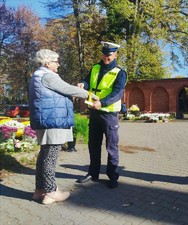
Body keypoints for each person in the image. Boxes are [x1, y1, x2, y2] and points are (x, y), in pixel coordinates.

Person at [29, 49, 99, 204]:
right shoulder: (48, 76)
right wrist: (91, 95)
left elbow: (59, 93)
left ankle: (40, 191)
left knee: (44, 156)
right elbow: (67, 88)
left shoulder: (38, 75)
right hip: (53, 121)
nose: (58, 64)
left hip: (47, 121)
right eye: (56, 61)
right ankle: (51, 191)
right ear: (47, 63)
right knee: (50, 157)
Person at [76, 41, 127, 188]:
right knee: (93, 144)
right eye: (104, 54)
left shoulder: (120, 72)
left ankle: (112, 176)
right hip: (94, 111)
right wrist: (82, 84)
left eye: (109, 55)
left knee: (111, 146)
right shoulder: (95, 67)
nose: (106, 57)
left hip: (109, 114)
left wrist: (102, 103)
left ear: (115, 54)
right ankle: (93, 173)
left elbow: (117, 93)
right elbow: (86, 80)